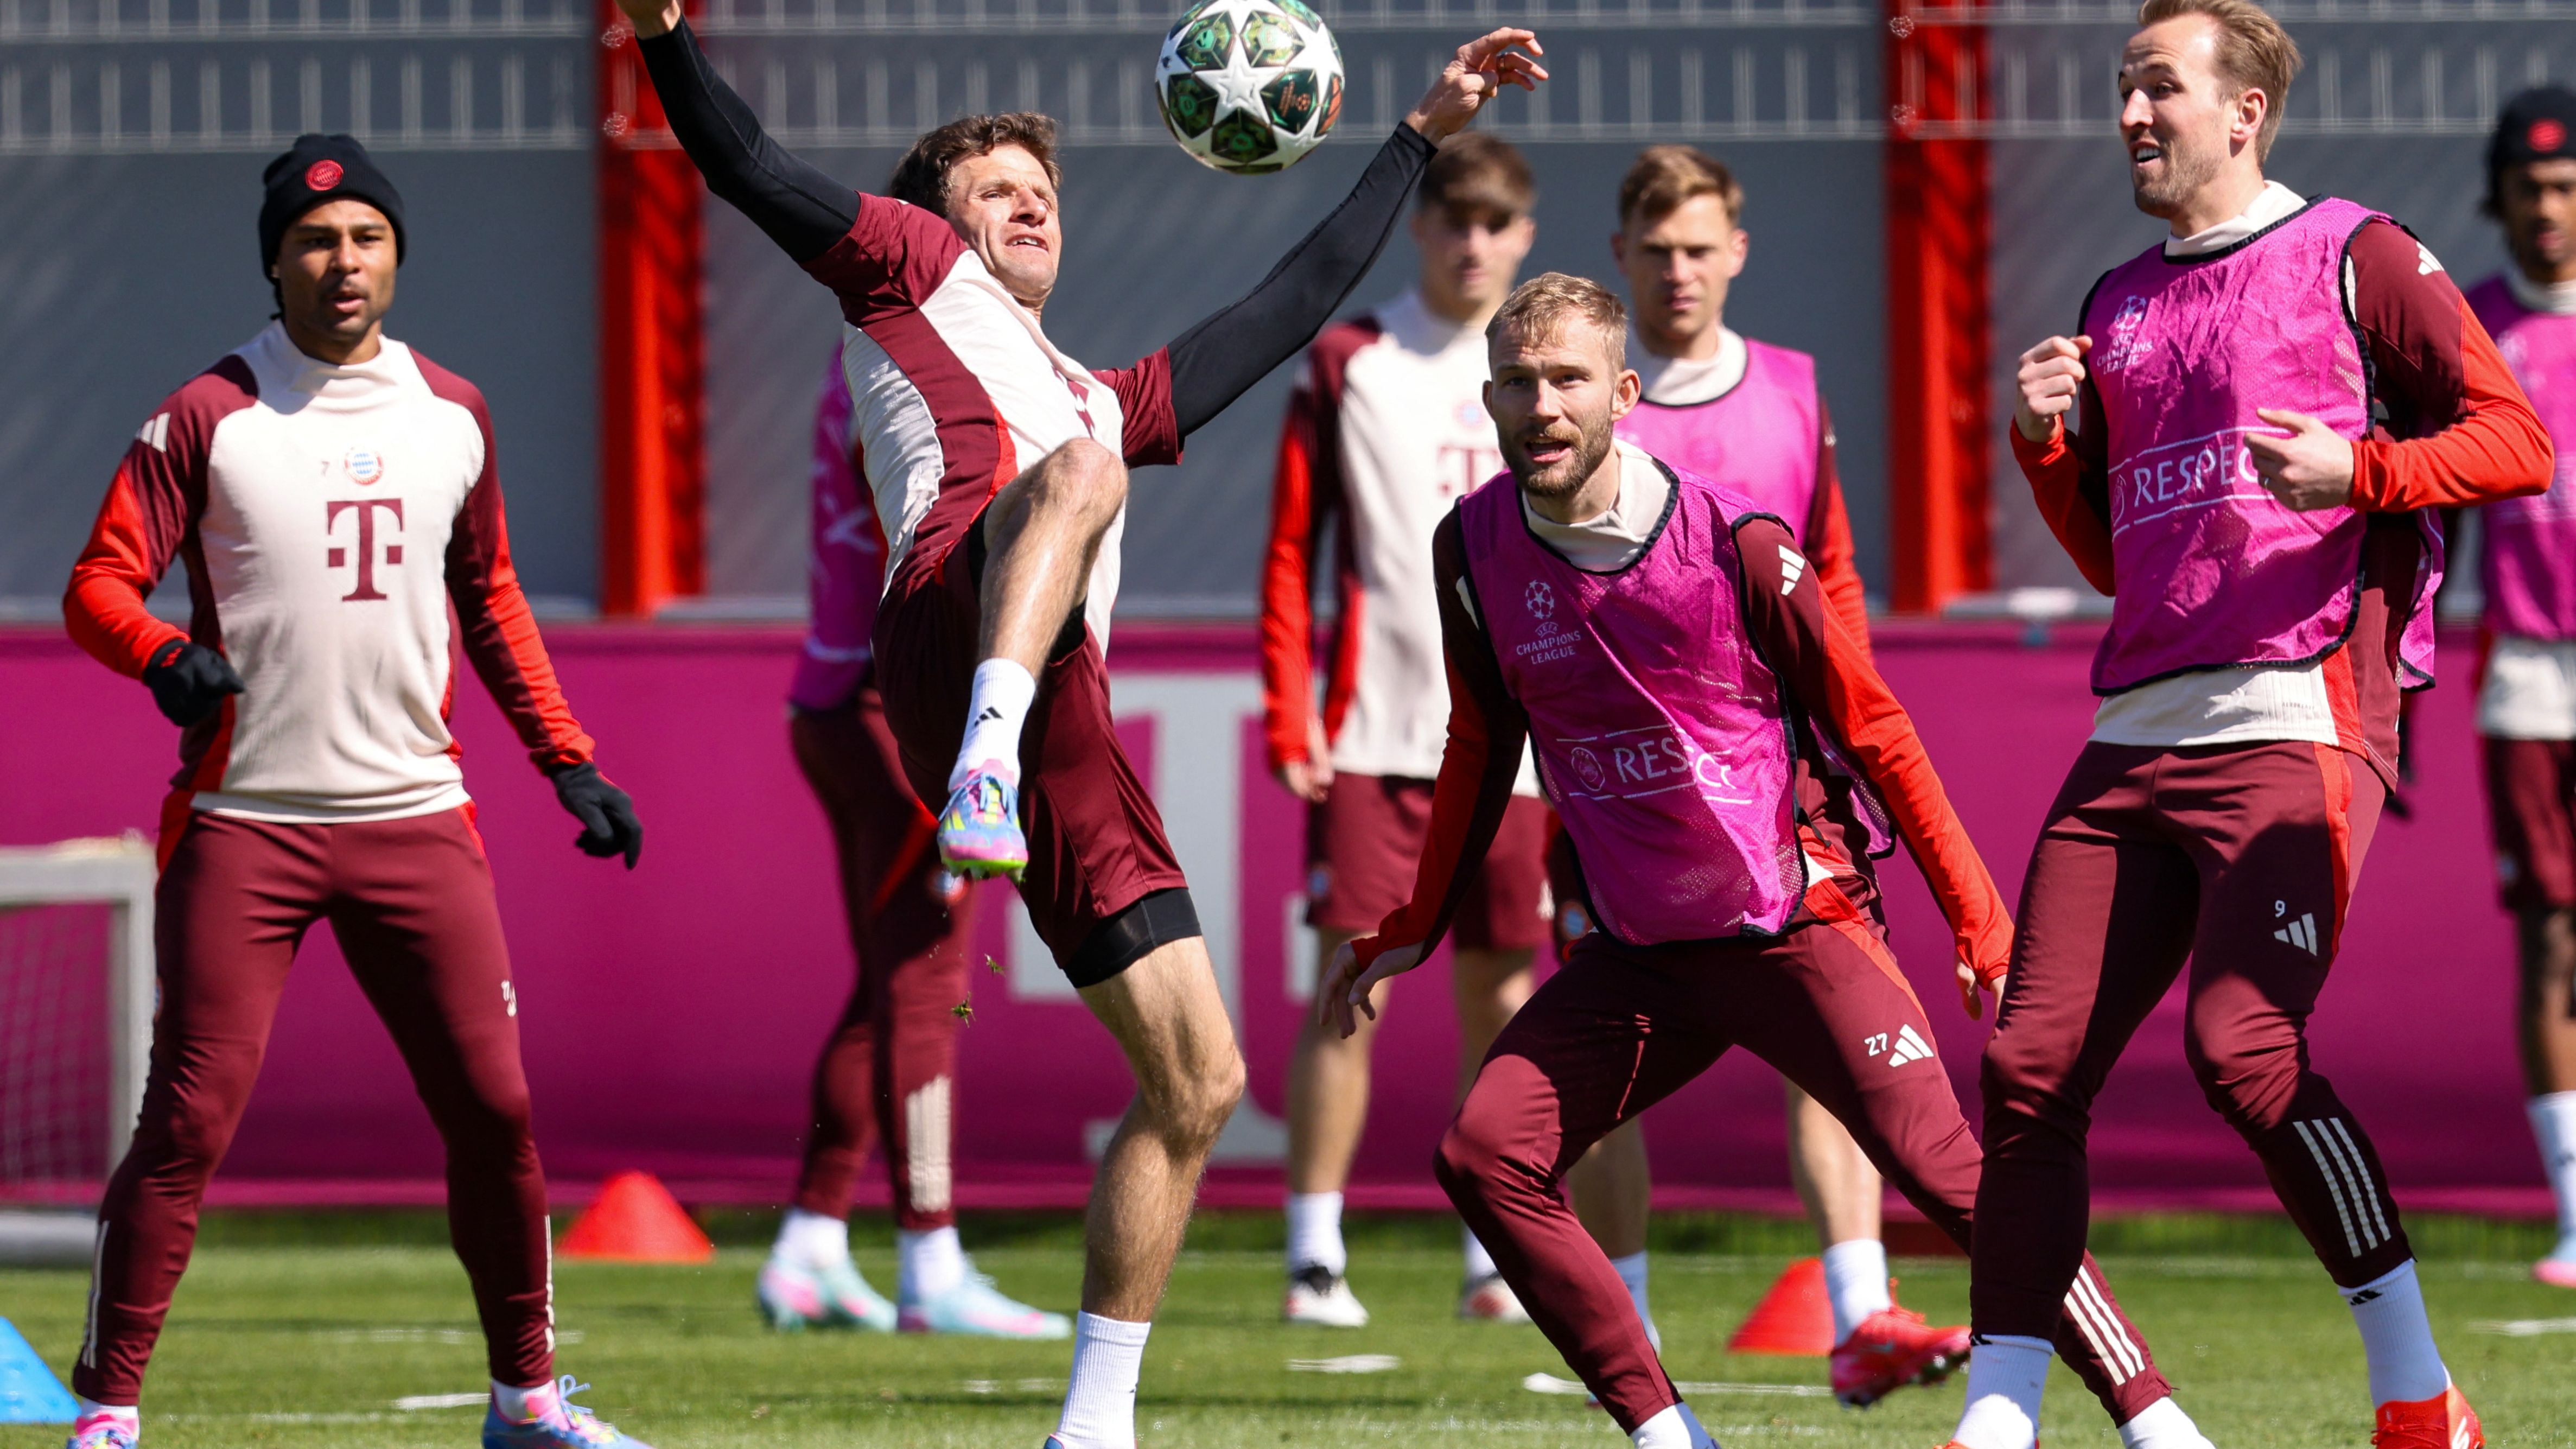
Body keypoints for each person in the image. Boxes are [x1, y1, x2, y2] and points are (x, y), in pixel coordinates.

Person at [612, 0, 1544, 1442]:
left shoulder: (1099, 390)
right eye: (997, 186)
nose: (1028, 198)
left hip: (1065, 721)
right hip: (946, 628)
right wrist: (666, 41)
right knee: (1082, 475)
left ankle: (1091, 1423)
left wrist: (1414, 139)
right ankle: (978, 769)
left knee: (1200, 1079)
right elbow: (744, 163)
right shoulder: (905, 269)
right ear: (927, 220)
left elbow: (1287, 305)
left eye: (1040, 187)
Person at [1323, 272, 2211, 1449]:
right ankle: (1664, 1434)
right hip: (1639, 956)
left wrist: (1975, 917)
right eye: (1518, 383)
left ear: (1623, 395)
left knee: (1955, 1181)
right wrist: (1411, 925)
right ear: (1487, 397)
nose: (1540, 407)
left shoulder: (1734, 540)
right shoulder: (1472, 546)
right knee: (1484, 1153)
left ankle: (2156, 1420)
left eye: (1568, 381)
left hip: (1797, 925)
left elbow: (1874, 725)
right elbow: (1483, 741)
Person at [1965, 1, 2553, 1444]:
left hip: (2291, 711)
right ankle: (1997, 1415)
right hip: (2130, 734)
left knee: (2243, 1050)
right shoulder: (2113, 300)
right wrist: (2043, 447)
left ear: (2243, 112)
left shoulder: (2357, 253)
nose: (2127, 115)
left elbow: (2515, 439)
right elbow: (2122, 557)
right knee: (2024, 1069)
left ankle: (2416, 1390)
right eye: (2119, 89)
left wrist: (2353, 468)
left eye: (2157, 87)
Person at [58, 135, 652, 1449]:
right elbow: (98, 586)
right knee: (188, 1125)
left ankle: (528, 1400)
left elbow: (488, 599)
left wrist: (570, 761)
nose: (344, 261)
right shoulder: (207, 414)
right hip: (245, 822)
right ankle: (105, 1416)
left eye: (366, 238)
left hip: (415, 822)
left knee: (495, 1110)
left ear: (396, 256)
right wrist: (165, 655)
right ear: (274, 263)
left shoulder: (454, 412)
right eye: (317, 241)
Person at [1595, 140, 1964, 1402]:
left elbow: (1835, 568)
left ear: (1738, 252)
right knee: (1607, 1054)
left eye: (1701, 248)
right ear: (1620, 259)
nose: (1680, 271)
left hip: (1785, 782)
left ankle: (1861, 1312)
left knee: (1838, 1029)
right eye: (1657, 252)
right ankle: (1621, 1324)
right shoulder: (1593, 399)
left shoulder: (1796, 390)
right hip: (1626, 785)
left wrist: (1850, 721)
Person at [1262, 132, 1649, 1330]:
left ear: (1525, 235)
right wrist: (1289, 705)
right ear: (1421, 227)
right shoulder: (1349, 362)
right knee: (1353, 982)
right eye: (1453, 219)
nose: (1472, 241)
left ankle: (1495, 1248)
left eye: (1496, 222)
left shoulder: (1557, 372)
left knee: (1506, 990)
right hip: (1378, 734)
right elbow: (1291, 550)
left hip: (1528, 743)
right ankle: (1314, 1256)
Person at [754, 354, 1065, 1339]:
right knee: (927, 985)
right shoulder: (919, 368)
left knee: (889, 986)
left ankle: (809, 1242)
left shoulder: (858, 364)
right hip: (890, 715)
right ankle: (930, 1258)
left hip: (840, 695)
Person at [2465, 84, 2576, 1290]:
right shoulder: (2475, 327)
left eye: (2562, 187)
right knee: (2551, 936)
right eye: (2525, 191)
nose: (2544, 212)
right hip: (2534, 671)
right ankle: (2574, 1213)